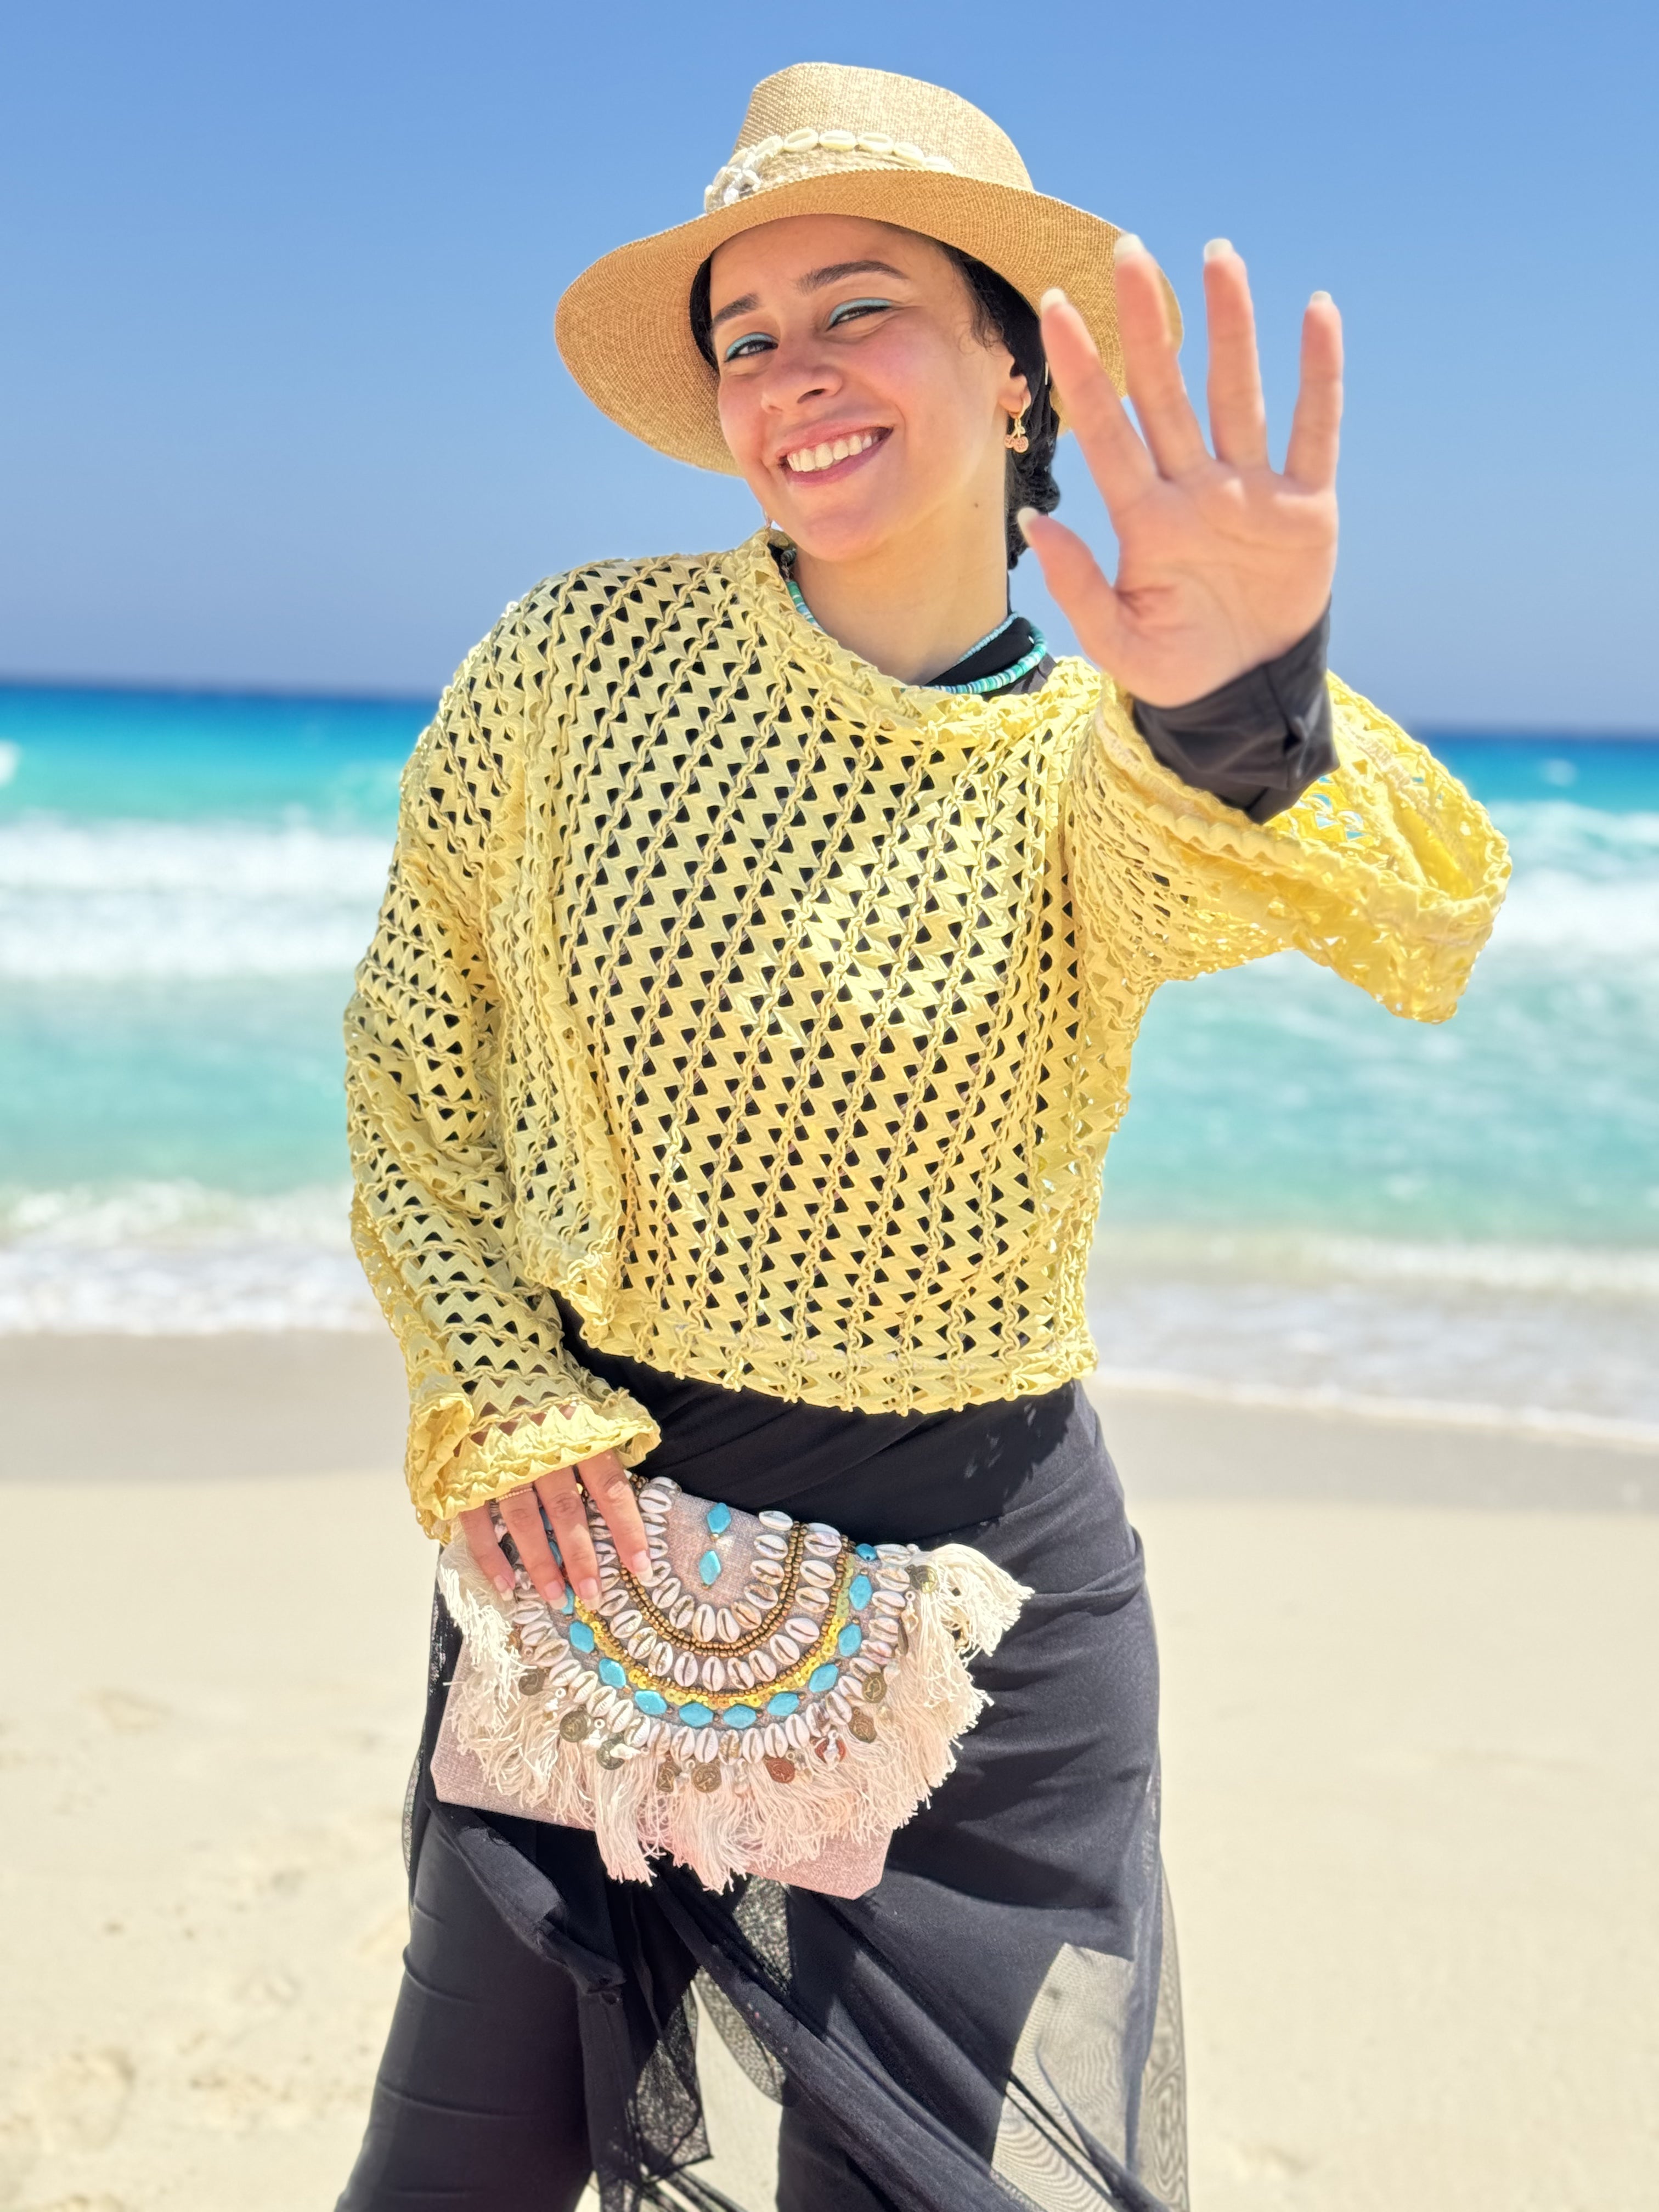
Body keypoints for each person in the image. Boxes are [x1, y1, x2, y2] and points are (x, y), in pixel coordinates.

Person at [335, 61, 1507, 2212]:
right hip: (600, 1550)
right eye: (748, 333)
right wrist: (496, 1393)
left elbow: (1410, 897)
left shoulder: (1098, 767)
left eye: (859, 306)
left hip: (984, 1609)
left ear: (1014, 356)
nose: (793, 374)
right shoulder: (578, 661)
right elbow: (422, 1061)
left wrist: (1246, 699)